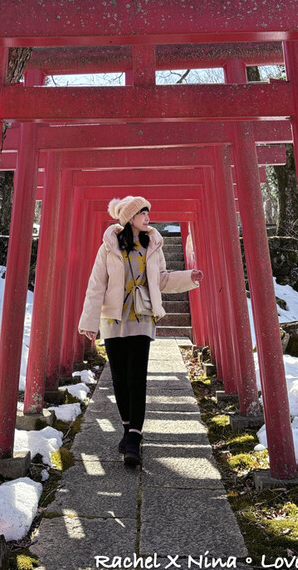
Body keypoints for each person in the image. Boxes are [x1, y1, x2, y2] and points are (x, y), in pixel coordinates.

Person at [78, 196, 204, 467]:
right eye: (142, 213)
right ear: (129, 218)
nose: (148, 217)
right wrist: (88, 322)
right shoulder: (109, 247)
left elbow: (162, 280)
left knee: (137, 377)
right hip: (112, 320)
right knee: (120, 378)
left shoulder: (153, 246)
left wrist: (189, 278)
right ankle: (127, 430)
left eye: (148, 213)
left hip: (142, 317)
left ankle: (134, 437)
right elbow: (96, 285)